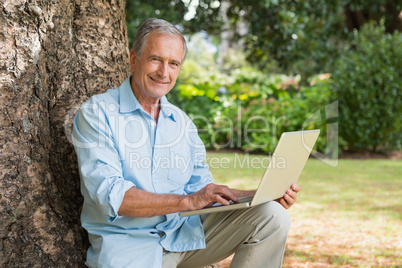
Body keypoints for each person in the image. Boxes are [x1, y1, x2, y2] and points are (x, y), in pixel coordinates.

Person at [72, 18, 300, 268]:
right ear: (134, 59)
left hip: (182, 237)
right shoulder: (97, 113)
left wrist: (260, 196)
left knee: (272, 217)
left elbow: (202, 191)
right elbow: (112, 197)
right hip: (129, 250)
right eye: (155, 59)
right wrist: (185, 202)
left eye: (173, 63)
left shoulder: (182, 123)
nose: (164, 72)